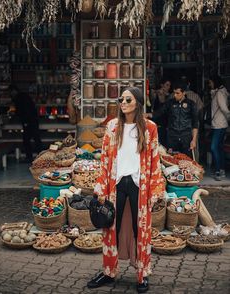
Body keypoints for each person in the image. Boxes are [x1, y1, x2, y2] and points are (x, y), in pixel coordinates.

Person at [87, 87, 165, 293]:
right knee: (111, 228)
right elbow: (105, 160)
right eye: (120, 98)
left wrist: (156, 188)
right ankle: (108, 272)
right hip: (116, 184)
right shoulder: (112, 126)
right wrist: (101, 186)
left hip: (140, 184)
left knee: (141, 230)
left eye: (127, 99)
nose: (122, 102)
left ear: (138, 103)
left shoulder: (150, 127)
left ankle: (142, 274)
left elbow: (155, 159)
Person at [149, 80, 199, 157]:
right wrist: (148, 115)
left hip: (186, 137)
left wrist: (194, 140)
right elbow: (159, 113)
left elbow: (195, 123)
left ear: (184, 93)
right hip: (172, 136)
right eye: (174, 93)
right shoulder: (170, 103)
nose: (175, 95)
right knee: (171, 159)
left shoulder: (191, 104)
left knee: (187, 161)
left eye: (177, 93)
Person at [9, 85, 43, 162]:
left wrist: (25, 121)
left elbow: (22, 110)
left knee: (27, 140)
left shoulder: (19, 98)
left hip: (28, 121)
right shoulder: (23, 96)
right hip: (33, 120)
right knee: (36, 139)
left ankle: (30, 157)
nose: (10, 94)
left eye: (11, 92)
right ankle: (41, 156)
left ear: (14, 91)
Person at [208, 75, 230, 181]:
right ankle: (222, 170)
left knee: (213, 147)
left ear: (215, 82)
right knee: (219, 147)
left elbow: (224, 109)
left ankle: (218, 171)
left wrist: (229, 117)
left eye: (210, 82)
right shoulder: (219, 92)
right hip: (220, 124)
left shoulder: (220, 93)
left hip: (219, 124)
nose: (209, 84)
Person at [152, 78, 172, 147]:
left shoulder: (169, 97)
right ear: (162, 85)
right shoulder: (155, 94)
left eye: (169, 85)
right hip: (157, 122)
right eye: (167, 85)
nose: (168, 87)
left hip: (166, 124)